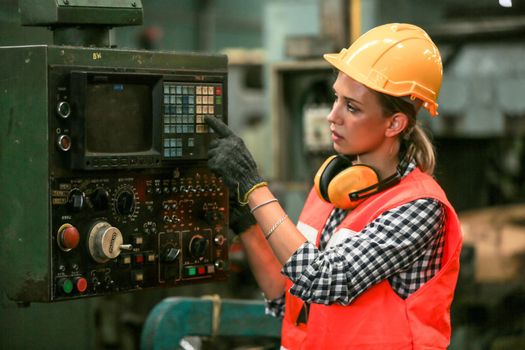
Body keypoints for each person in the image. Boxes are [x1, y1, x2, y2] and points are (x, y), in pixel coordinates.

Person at [204, 23, 462, 350]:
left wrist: (254, 188)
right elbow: (291, 298)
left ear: (394, 123)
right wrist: (246, 222)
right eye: (336, 98)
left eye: (352, 107)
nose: (332, 116)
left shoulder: (419, 208)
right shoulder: (330, 191)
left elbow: (325, 279)